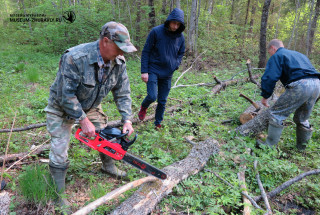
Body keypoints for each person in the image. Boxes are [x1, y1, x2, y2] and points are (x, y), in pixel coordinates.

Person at [44, 21, 137, 212]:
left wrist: (127, 119)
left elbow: (123, 92)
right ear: (105, 41)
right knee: (59, 151)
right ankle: (58, 195)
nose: (122, 53)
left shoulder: (118, 62)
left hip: (91, 106)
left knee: (108, 135)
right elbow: (65, 95)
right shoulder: (76, 58)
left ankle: (108, 166)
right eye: (119, 48)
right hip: (61, 108)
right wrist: (82, 120)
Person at [258, 39, 320, 150]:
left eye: (269, 52)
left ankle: (269, 146)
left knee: (276, 113)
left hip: (301, 85)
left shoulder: (277, 55)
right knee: (302, 118)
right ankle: (302, 148)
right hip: (317, 84)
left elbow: (270, 77)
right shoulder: (299, 55)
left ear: (273, 48)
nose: (270, 55)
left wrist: (265, 96)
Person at [138, 8, 185, 129]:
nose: (175, 26)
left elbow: (181, 52)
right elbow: (146, 51)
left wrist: (176, 64)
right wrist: (144, 71)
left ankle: (157, 123)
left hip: (168, 72)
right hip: (153, 69)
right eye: (174, 23)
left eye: (178, 24)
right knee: (152, 96)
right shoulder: (156, 32)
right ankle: (144, 107)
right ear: (169, 21)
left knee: (162, 100)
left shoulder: (181, 37)